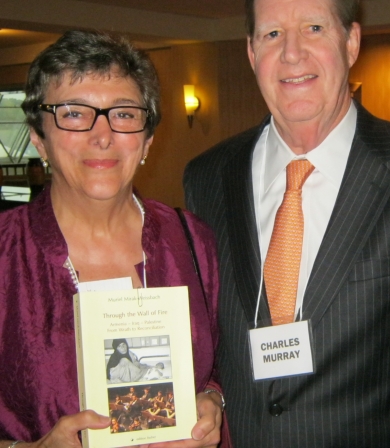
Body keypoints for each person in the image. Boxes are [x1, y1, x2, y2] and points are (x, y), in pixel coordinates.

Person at [183, 0, 390, 446]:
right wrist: (212, 396)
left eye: (314, 28)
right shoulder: (207, 177)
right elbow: (210, 337)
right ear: (250, 52)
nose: (292, 54)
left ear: (351, 42)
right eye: (272, 34)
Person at [0, 30, 227, 447]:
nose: (102, 135)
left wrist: (212, 400)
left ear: (147, 139)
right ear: (38, 138)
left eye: (123, 114)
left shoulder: (193, 240)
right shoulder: (5, 254)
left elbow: (220, 367)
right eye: (72, 113)